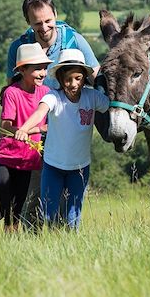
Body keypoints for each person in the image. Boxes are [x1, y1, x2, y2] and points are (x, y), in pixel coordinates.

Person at [6, 0, 102, 230]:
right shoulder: (19, 47)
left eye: (48, 20)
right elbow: (13, 88)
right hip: (34, 131)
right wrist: (22, 128)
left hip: (68, 130)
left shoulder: (75, 40)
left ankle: (63, 242)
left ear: (56, 15)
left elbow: (97, 76)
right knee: (35, 194)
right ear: (28, 22)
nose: (44, 27)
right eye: (37, 22)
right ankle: (33, 243)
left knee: (67, 198)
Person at [14, 49, 109, 230]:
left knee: (73, 215)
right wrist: (25, 128)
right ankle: (54, 244)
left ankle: (70, 247)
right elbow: (40, 112)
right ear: (59, 79)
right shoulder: (53, 97)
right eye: (68, 79)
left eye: (78, 78)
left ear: (84, 78)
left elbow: (113, 105)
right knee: (49, 213)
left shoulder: (93, 97)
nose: (73, 84)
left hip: (80, 168)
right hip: (53, 166)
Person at [0, 43, 52, 239]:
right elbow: (6, 126)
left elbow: (49, 123)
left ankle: (9, 244)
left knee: (17, 208)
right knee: (0, 206)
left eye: (45, 68)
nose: (43, 73)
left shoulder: (46, 92)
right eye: (37, 68)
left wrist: (33, 129)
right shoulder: (12, 93)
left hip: (29, 159)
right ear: (22, 70)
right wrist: (21, 131)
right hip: (6, 157)